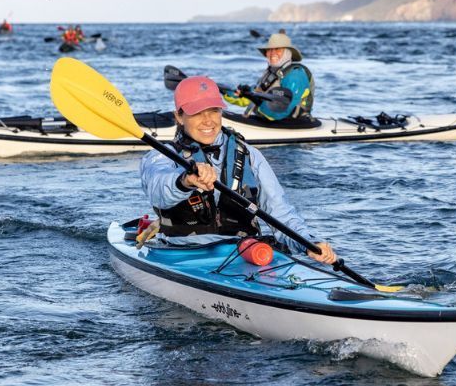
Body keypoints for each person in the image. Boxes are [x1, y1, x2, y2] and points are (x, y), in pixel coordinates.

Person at [140, 75, 337, 265]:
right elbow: (158, 191)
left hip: (244, 255)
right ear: (179, 117)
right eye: (197, 113)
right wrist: (185, 181)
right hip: (181, 256)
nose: (208, 121)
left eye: (214, 111)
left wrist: (307, 243)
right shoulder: (161, 156)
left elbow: (280, 213)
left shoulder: (250, 155)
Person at [224, 33, 314, 121]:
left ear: (288, 52)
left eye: (278, 49)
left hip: (292, 124)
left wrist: (256, 100)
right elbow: (256, 94)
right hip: (269, 121)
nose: (272, 53)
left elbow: (281, 113)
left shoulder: (295, 75)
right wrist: (230, 92)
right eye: (269, 50)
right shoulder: (271, 72)